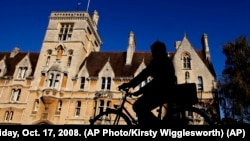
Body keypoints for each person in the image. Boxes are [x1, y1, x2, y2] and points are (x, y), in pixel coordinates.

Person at [118, 41, 176, 126]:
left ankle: (157, 126)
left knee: (138, 106)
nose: (152, 54)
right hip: (163, 91)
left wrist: (132, 86)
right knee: (141, 107)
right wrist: (135, 88)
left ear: (157, 51)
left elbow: (149, 78)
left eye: (153, 51)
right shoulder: (163, 61)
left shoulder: (160, 62)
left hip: (163, 92)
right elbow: (147, 76)